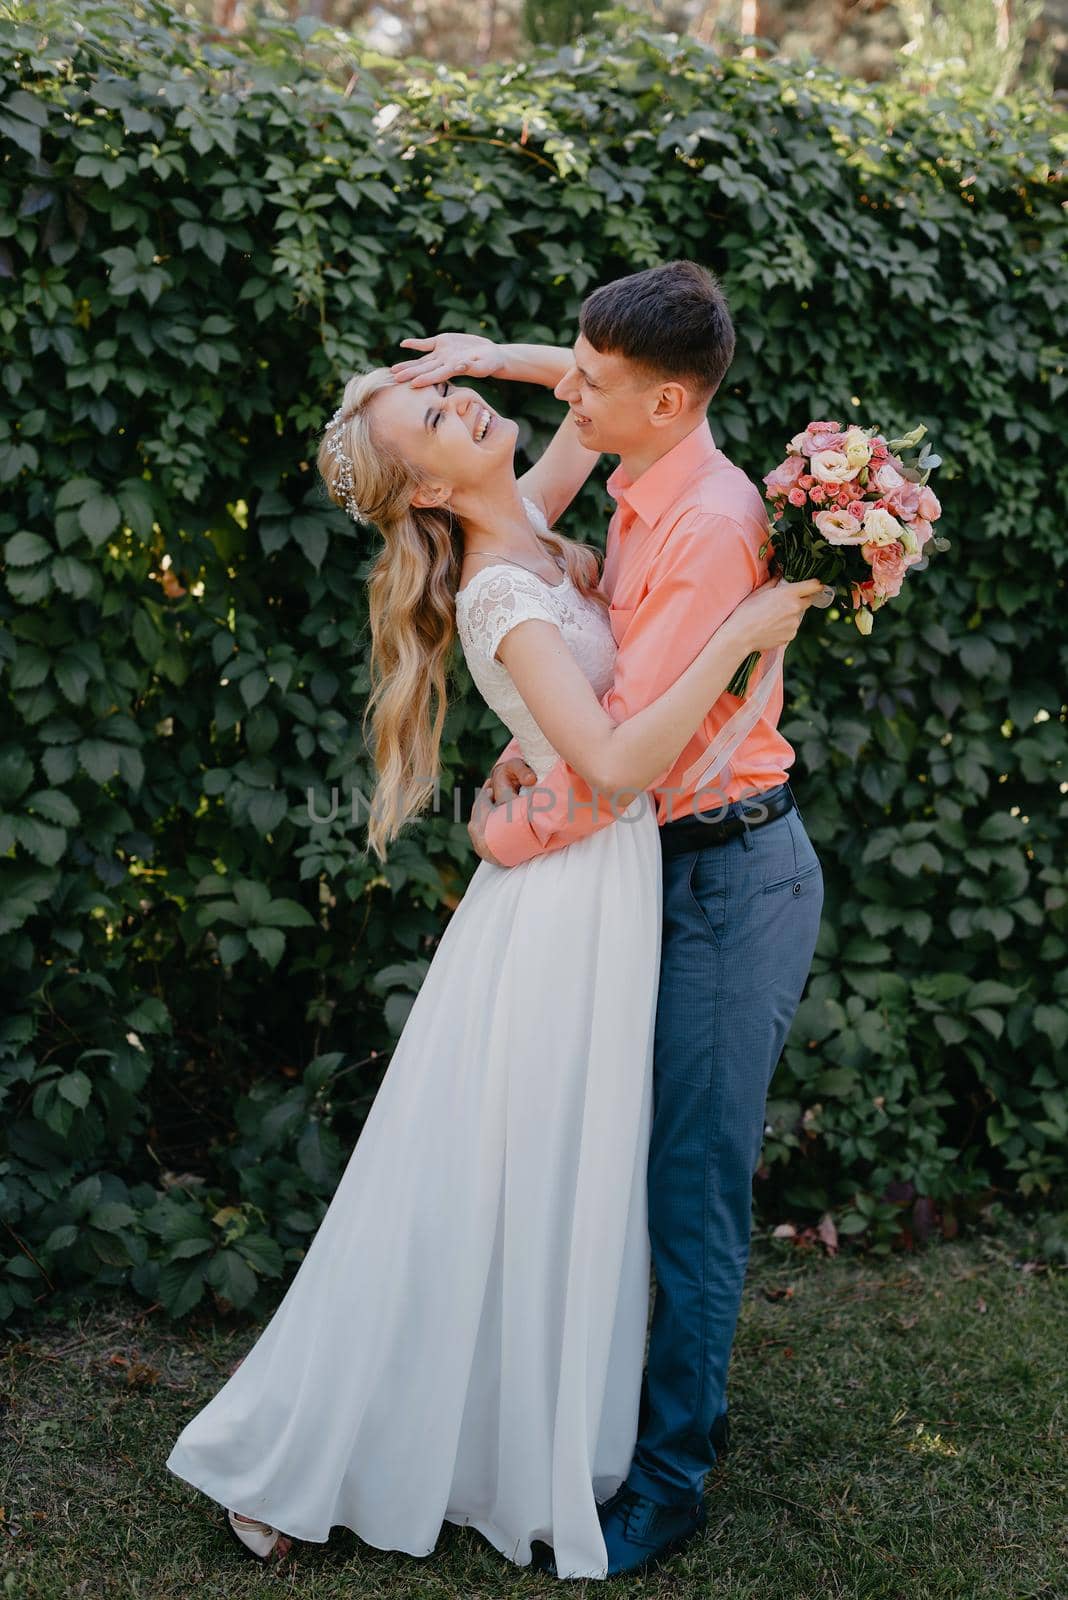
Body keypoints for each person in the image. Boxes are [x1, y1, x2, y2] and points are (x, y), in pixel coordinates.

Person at [164, 266, 823, 1581]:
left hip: (605, 892)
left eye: (464, 398)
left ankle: (525, 1432)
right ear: (425, 489)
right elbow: (618, 762)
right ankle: (324, 1448)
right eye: (446, 419)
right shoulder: (502, 590)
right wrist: (749, 630)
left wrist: (494, 354)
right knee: (477, 1186)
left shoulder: (534, 525)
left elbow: (593, 402)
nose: (471, 408)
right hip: (565, 912)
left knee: (549, 1187)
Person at [391, 260, 827, 1577]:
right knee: (628, 1163)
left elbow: (646, 757)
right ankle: (623, 1411)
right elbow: (591, 398)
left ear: (669, 402)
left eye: (593, 382)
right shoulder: (639, 474)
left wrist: (516, 819)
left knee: (690, 1188)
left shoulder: (702, 524)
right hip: (653, 874)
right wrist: (493, 354)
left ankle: (673, 1475)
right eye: (569, 373)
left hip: (725, 872)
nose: (570, 395)